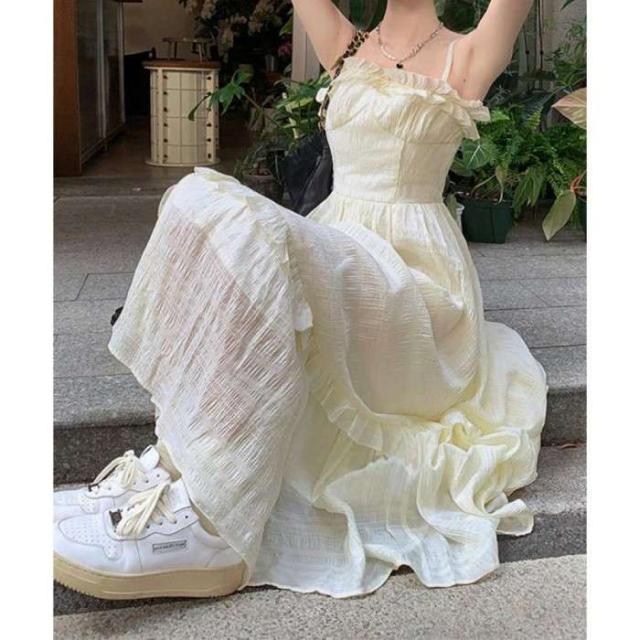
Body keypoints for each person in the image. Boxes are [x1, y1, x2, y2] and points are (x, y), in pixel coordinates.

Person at [54, 0, 547, 600]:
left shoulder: (465, 55)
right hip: (338, 244)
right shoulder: (344, 43)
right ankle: (175, 468)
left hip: (414, 284)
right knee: (196, 198)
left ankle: (212, 529)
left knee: (248, 227)